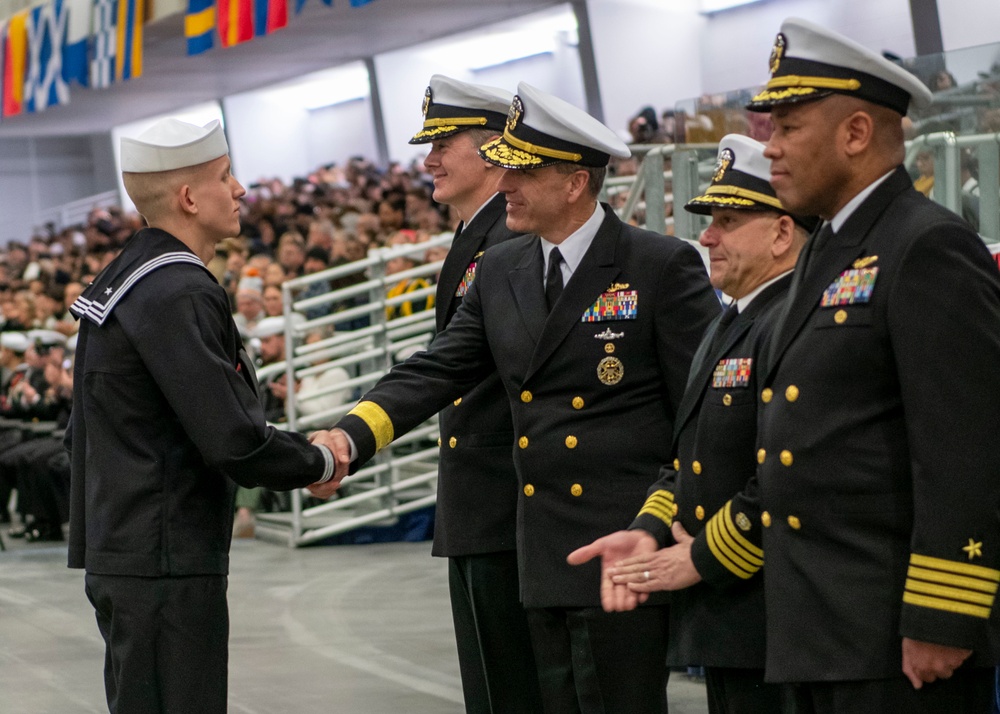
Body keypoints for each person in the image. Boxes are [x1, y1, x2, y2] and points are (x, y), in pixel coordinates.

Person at [314, 82, 720, 712]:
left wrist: (673, 520)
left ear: (574, 182)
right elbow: (439, 369)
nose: (504, 185)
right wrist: (350, 435)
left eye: (522, 171)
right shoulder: (505, 270)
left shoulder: (658, 266)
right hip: (539, 553)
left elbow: (699, 412)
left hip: (622, 547)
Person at [745, 17, 1000, 712]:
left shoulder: (925, 247)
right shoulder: (829, 249)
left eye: (788, 127)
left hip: (896, 638)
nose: (769, 148)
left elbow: (966, 448)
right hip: (821, 625)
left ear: (856, 134)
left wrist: (944, 616)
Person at [66, 118, 343, 714]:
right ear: (189, 198)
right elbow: (231, 435)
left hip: (130, 543)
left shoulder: (123, 278)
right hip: (165, 550)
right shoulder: (177, 289)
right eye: (225, 177)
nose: (241, 189)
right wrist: (317, 459)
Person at [569, 135, 817, 714]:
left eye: (728, 221)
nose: (707, 235)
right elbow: (691, 460)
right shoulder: (731, 322)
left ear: (783, 233)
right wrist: (650, 529)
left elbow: (788, 469)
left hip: (776, 612)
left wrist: (704, 556)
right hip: (728, 616)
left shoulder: (793, 323)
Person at [408, 73, 542, 713]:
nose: (428, 158)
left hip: (503, 500)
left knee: (511, 686)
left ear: (492, 149)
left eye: (443, 142)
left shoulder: (510, 241)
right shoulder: (476, 236)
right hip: (477, 500)